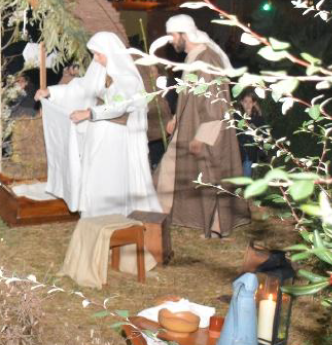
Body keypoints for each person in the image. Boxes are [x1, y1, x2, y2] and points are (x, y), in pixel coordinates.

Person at [35, 31, 162, 218]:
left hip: (115, 137)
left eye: (98, 54)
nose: (95, 58)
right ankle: (94, 216)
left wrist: (89, 113)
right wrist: (50, 92)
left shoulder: (127, 78)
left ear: (110, 52)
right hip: (98, 133)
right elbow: (80, 89)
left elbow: (119, 105)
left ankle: (112, 216)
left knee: (109, 176)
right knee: (94, 175)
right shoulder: (99, 71)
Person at [155, 14, 250, 238]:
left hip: (206, 131)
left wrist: (201, 138)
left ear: (183, 34)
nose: (170, 40)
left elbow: (215, 106)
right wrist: (177, 118)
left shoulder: (206, 60)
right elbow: (191, 94)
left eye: (172, 35)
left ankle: (217, 227)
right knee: (171, 171)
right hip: (190, 127)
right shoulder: (195, 57)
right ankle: (162, 216)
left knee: (211, 178)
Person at [237, 93, 264, 178]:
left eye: (250, 102)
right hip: (237, 153)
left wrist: (261, 150)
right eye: (245, 101)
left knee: (246, 176)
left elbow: (261, 135)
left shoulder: (258, 118)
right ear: (241, 102)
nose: (248, 104)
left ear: (254, 103)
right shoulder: (236, 116)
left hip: (250, 153)